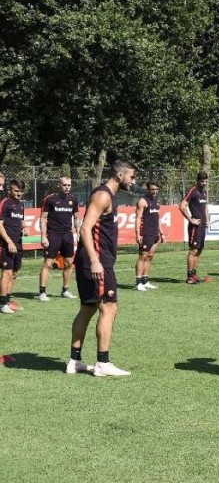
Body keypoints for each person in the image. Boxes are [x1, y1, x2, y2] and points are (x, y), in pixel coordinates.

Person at [66, 160, 137, 376]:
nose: (134, 181)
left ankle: (74, 361)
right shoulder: (103, 195)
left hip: (92, 261)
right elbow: (85, 229)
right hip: (96, 262)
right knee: (109, 307)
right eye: (131, 177)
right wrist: (96, 261)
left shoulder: (109, 197)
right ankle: (103, 363)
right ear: (119, 175)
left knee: (88, 308)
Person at [38, 177, 81, 300]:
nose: (67, 187)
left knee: (69, 263)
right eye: (64, 185)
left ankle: (65, 290)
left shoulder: (73, 199)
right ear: (59, 185)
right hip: (53, 234)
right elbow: (43, 218)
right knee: (48, 263)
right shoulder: (50, 199)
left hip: (67, 234)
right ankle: (42, 292)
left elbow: (77, 218)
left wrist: (78, 233)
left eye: (69, 185)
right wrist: (43, 236)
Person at [0, 180, 26, 314]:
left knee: (14, 273)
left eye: (21, 191)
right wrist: (9, 242)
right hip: (5, 244)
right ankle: (2, 303)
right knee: (7, 272)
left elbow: (20, 220)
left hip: (18, 243)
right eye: (16, 191)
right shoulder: (5, 203)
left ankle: (8, 301)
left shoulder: (21, 205)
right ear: (10, 190)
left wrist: (24, 227)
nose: (19, 194)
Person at [180, 171, 209, 284]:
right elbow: (182, 206)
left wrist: (207, 220)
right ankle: (190, 276)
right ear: (197, 180)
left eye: (206, 181)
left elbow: (205, 207)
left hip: (202, 225)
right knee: (193, 250)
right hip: (195, 226)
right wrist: (191, 219)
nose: (204, 183)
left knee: (199, 250)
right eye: (202, 181)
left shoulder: (204, 192)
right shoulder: (193, 190)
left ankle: (194, 275)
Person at [134, 181, 164, 291]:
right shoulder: (142, 201)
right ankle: (138, 282)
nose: (154, 191)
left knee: (150, 256)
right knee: (143, 256)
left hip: (155, 233)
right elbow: (138, 218)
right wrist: (138, 234)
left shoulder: (157, 201)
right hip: (146, 233)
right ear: (147, 189)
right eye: (152, 189)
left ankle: (145, 281)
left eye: (156, 189)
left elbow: (158, 218)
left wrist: (161, 232)